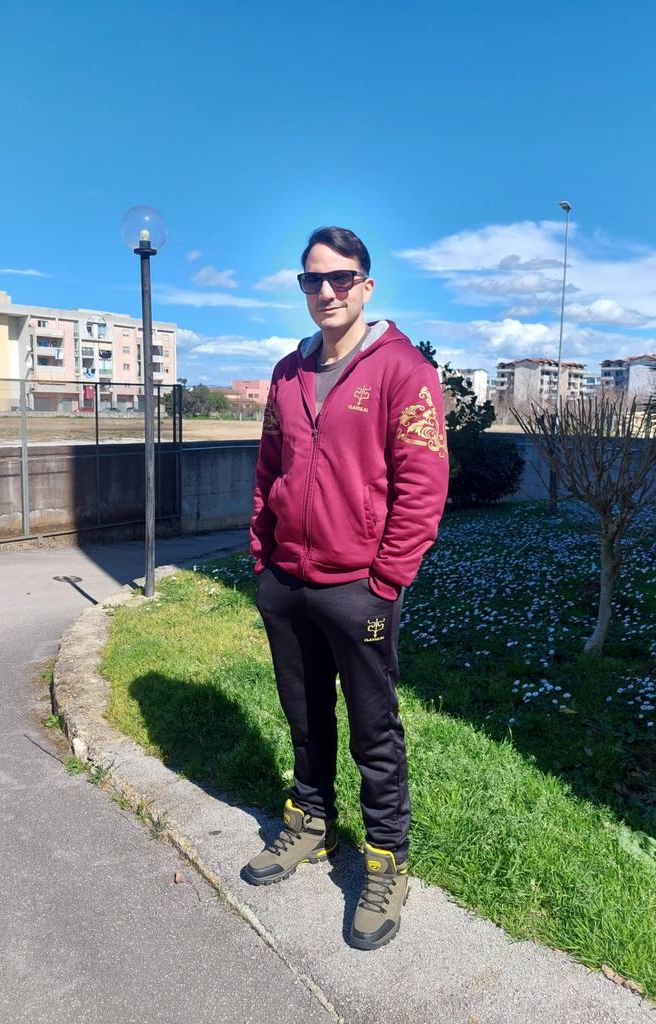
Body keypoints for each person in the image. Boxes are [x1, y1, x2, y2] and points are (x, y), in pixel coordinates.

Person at [246, 225, 449, 951]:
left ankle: (387, 860)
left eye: (340, 278)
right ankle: (310, 821)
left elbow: (423, 487)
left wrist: (385, 580)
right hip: (286, 581)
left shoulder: (403, 370)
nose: (326, 291)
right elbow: (269, 467)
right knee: (304, 715)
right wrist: (262, 553)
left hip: (358, 587)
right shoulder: (287, 372)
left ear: (366, 285)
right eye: (312, 279)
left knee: (373, 729)